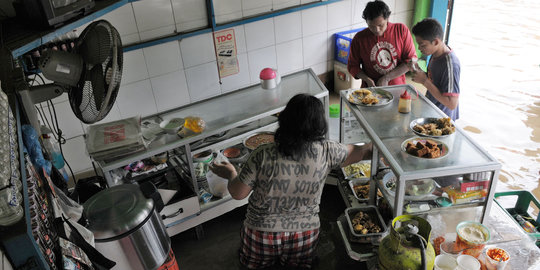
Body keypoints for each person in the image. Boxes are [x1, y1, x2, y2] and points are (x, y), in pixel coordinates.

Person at [209, 94, 371, 269]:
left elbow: (238, 193)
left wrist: (231, 173)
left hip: (261, 232)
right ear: (320, 125)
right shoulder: (328, 151)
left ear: (284, 121)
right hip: (304, 234)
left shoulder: (262, 154)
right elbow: (362, 152)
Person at [347, 0, 417, 87]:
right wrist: (366, 79)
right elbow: (352, 66)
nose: (377, 30)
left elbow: (410, 60)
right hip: (371, 88)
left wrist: (387, 78)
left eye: (380, 25)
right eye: (371, 26)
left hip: (396, 86)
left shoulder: (401, 30)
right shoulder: (359, 38)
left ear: (388, 18)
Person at [410, 18, 461, 120]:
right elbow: (435, 79)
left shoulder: (451, 64)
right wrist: (419, 71)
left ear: (436, 42)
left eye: (422, 44)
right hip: (431, 110)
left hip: (442, 118)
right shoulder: (435, 53)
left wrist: (424, 81)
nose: (419, 48)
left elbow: (452, 103)